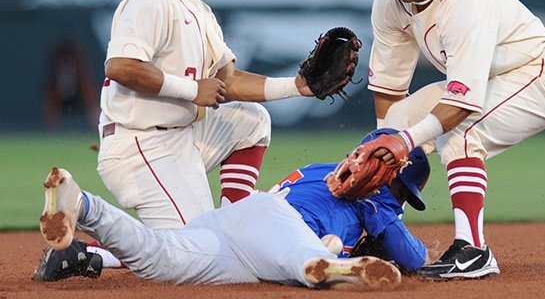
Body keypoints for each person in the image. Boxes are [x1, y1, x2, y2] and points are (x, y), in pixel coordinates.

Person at [365, 0, 545, 280]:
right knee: (394, 126)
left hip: (538, 76)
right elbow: (389, 90)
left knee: (460, 131)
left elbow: (462, 105)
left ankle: (473, 250)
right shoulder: (389, 3)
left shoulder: (465, 4)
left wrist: (407, 142)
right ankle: (384, 235)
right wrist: (390, 146)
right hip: (487, 80)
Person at [97, 0, 315, 233]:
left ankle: (235, 222)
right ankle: (89, 240)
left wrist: (297, 86)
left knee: (250, 120)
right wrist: (193, 89)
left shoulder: (200, 10)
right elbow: (121, 67)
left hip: (184, 136)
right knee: (199, 254)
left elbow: (230, 80)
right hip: (141, 145)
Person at [33, 129, 434, 288]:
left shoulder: (321, 169)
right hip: (278, 228)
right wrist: (386, 232)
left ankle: (84, 205)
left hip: (241, 229)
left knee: (158, 258)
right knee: (306, 261)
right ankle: (333, 266)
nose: (400, 202)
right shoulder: (376, 196)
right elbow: (411, 257)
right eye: (403, 193)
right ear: (391, 178)